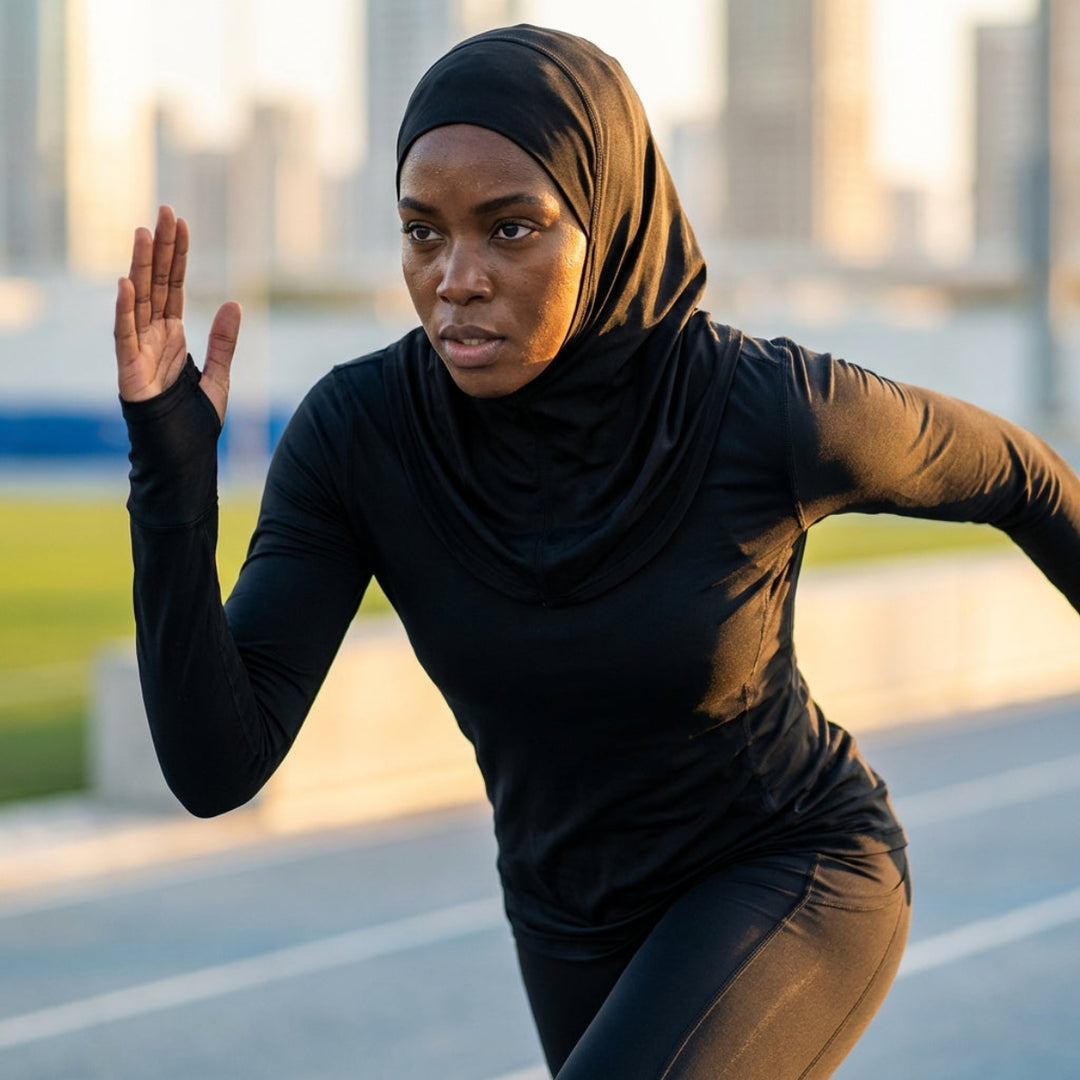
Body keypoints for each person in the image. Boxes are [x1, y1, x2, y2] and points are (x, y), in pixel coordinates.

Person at [114, 25, 1080, 1080]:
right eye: (423, 232)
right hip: (565, 923)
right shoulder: (360, 435)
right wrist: (170, 473)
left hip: (788, 870)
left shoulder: (768, 412)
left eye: (511, 229)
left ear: (607, 223)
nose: (457, 279)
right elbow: (217, 766)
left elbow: (1020, 475)